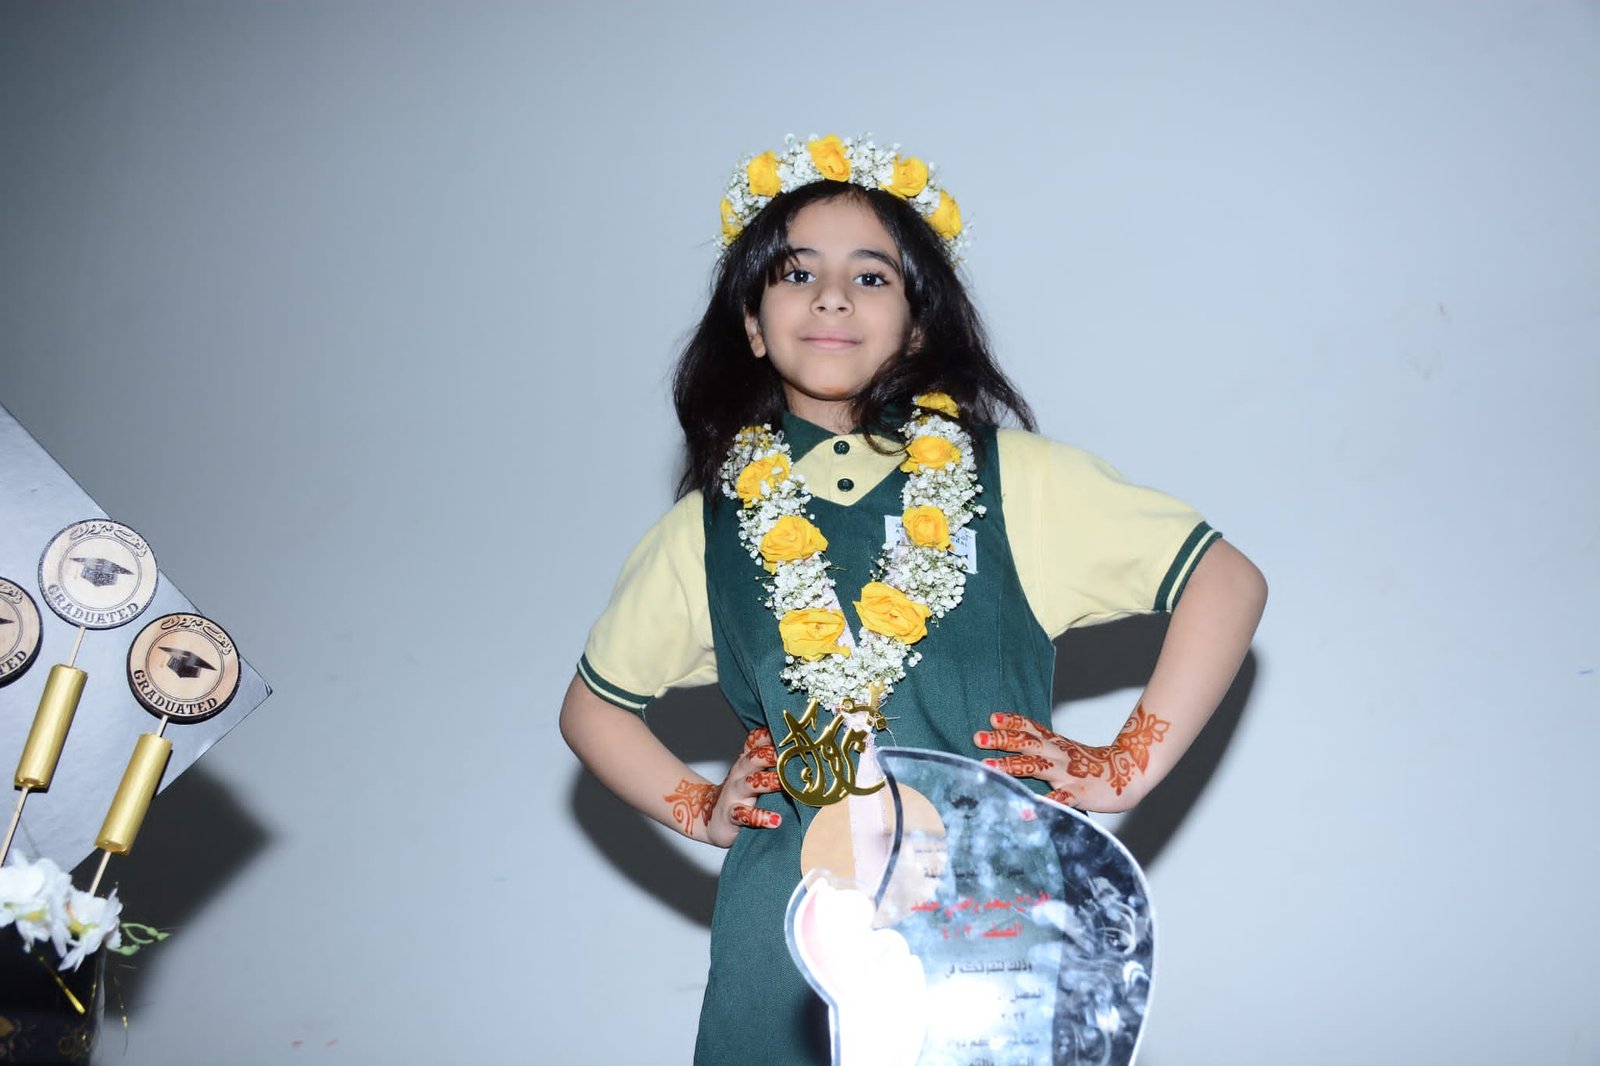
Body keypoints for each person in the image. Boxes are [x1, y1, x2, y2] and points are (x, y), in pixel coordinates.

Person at [559, 134, 1267, 1065]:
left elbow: (1226, 581)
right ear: (753, 323)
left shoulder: (1017, 480)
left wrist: (1125, 766)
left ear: (920, 324)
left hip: (990, 951)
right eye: (796, 272)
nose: (832, 296)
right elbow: (592, 709)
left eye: (872, 276)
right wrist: (700, 806)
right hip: (782, 955)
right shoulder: (707, 528)